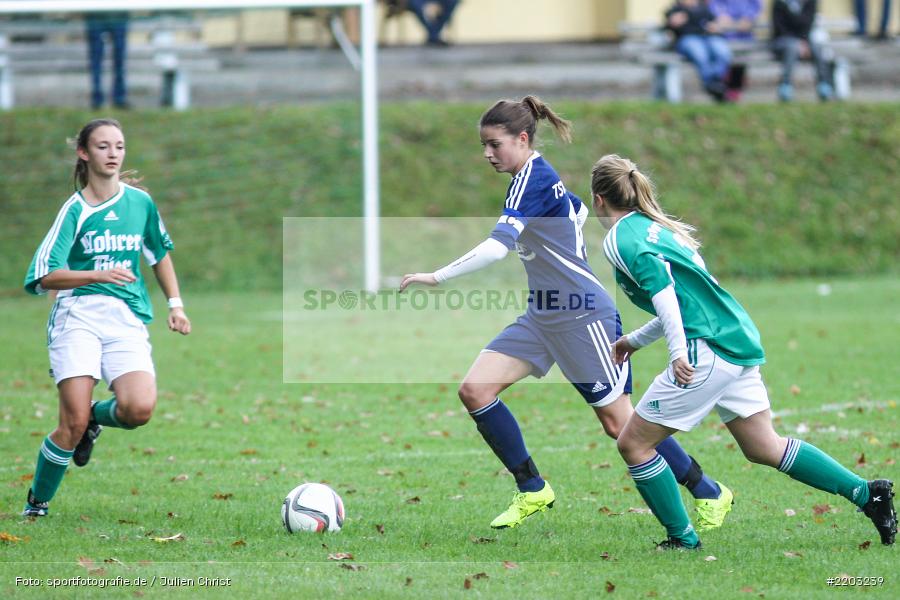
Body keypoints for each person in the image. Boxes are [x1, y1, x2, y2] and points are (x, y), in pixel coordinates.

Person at [400, 97, 734, 530]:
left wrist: (436, 276)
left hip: (583, 319)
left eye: (494, 144)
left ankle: (709, 491)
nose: (487, 154)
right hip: (542, 318)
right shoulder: (537, 178)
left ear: (522, 139)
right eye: (483, 145)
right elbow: (574, 208)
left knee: (621, 425)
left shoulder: (529, 181)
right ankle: (532, 488)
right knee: (475, 391)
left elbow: (497, 247)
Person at [589, 153, 897, 549]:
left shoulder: (620, 237)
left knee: (633, 443)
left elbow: (666, 294)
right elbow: (689, 298)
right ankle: (866, 493)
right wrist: (635, 341)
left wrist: (678, 352)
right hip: (735, 340)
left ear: (599, 199)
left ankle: (682, 539)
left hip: (707, 349)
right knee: (763, 446)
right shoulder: (659, 229)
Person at [21, 118, 191, 517]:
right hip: (77, 314)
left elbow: (159, 253)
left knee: (138, 409)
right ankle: (37, 504)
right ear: (84, 153)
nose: (113, 153)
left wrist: (176, 305)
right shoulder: (74, 211)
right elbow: (44, 275)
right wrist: (95, 274)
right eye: (103, 146)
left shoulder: (140, 203)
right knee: (71, 423)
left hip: (125, 317)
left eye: (119, 146)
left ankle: (96, 418)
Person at [664, 0, 734, 101]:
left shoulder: (704, 9)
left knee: (722, 51)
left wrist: (716, 26)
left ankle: (715, 82)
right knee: (700, 53)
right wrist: (672, 22)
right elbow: (667, 27)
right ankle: (712, 84)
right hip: (688, 39)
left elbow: (714, 23)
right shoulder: (675, 9)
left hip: (708, 38)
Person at [771, 0, 834, 102]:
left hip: (804, 40)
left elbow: (808, 24)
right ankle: (785, 86)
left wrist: (803, 42)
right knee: (792, 48)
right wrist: (798, 43)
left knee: (817, 49)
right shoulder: (780, 3)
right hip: (783, 40)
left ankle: (824, 85)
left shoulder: (810, 2)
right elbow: (780, 27)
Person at [85, 11, 130, 109]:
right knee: (96, 60)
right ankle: (97, 99)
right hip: (97, 15)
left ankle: (119, 98)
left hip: (118, 15)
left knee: (119, 61)